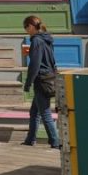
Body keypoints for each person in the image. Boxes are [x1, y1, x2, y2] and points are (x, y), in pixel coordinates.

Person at [21, 15, 61, 148]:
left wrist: (28, 83)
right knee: (34, 112)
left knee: (45, 113)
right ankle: (30, 139)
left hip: (41, 80)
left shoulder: (37, 41)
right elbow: (53, 61)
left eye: (26, 28)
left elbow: (35, 65)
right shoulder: (47, 39)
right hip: (49, 77)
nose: (26, 31)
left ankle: (55, 142)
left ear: (31, 26)